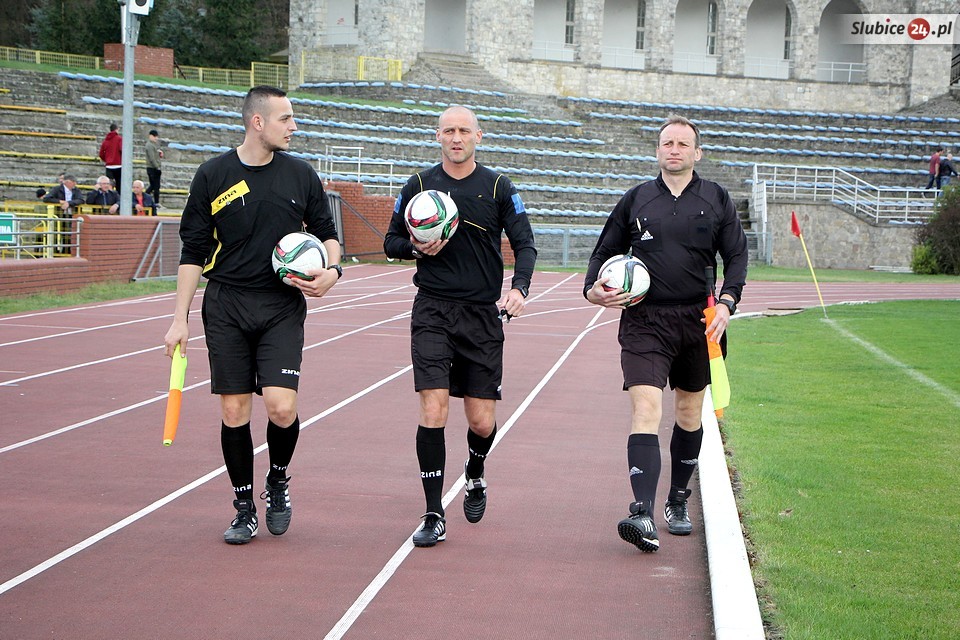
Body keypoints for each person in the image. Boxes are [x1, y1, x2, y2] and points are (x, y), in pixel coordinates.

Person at [163, 86, 342, 545]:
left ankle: (277, 480)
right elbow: (193, 252)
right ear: (257, 122)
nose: (294, 126)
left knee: (282, 408)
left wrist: (333, 270)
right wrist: (180, 318)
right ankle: (244, 507)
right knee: (234, 409)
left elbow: (327, 233)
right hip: (226, 304)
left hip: (281, 305)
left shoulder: (301, 174)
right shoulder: (213, 175)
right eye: (286, 118)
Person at [583, 114, 748, 553]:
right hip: (644, 321)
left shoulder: (716, 199)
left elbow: (737, 256)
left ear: (697, 152)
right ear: (657, 150)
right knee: (646, 408)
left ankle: (677, 499)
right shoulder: (636, 199)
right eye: (667, 143)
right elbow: (604, 251)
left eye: (682, 144)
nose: (674, 150)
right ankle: (642, 512)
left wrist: (727, 303)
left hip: (699, 321)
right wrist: (592, 290)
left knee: (689, 413)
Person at [383, 105, 537, 548]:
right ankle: (433, 513)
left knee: (482, 422)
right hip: (432, 310)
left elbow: (525, 243)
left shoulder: (498, 186)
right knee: (433, 409)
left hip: (482, 316)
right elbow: (390, 241)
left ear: (478, 136)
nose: (456, 138)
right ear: (437, 136)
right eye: (448, 130)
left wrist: (520, 288)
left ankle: (475, 470)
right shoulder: (418, 186)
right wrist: (415, 248)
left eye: (464, 131)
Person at [42, 173, 84, 251]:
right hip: (59, 215)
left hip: (71, 215)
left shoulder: (76, 190)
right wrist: (60, 202)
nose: (75, 184)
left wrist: (69, 203)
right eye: (73, 182)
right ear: (67, 182)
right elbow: (46, 199)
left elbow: (81, 200)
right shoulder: (57, 189)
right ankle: (54, 252)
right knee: (56, 233)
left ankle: (66, 251)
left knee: (68, 234)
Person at [99, 123, 122, 187]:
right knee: (119, 186)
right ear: (117, 129)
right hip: (118, 165)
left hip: (109, 166)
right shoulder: (119, 139)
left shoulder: (106, 140)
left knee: (109, 186)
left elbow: (101, 153)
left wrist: (107, 159)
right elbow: (122, 150)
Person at [145, 129, 163, 205]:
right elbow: (152, 158)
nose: (156, 138)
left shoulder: (153, 145)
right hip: (152, 168)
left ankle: (152, 200)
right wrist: (157, 167)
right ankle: (155, 202)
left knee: (155, 186)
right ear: (151, 136)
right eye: (154, 136)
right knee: (154, 186)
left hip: (154, 167)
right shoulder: (149, 145)